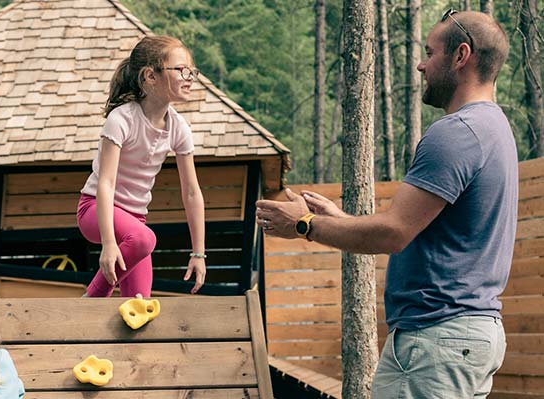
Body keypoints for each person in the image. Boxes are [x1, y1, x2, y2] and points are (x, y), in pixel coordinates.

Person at [256, 10, 515, 398]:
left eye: (430, 53)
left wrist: (304, 225)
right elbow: (418, 229)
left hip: (436, 341)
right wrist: (340, 218)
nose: (421, 64)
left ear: (461, 56)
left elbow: (395, 232)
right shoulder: (494, 129)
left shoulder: (456, 133)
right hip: (468, 335)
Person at [77, 35, 206, 298]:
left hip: (135, 223)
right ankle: (89, 302)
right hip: (95, 210)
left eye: (192, 71)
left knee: (139, 303)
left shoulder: (179, 128)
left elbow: (192, 192)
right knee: (146, 239)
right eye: (181, 70)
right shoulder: (122, 119)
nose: (189, 77)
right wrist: (109, 244)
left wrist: (198, 253)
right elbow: (106, 183)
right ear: (150, 76)